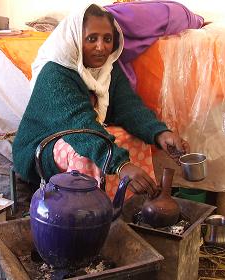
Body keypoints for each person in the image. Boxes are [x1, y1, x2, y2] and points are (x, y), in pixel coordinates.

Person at [12, 3, 189, 197]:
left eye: (107, 39)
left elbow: (129, 107)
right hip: (41, 147)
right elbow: (81, 126)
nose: (101, 47)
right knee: (86, 157)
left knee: (135, 138)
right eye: (91, 39)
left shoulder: (108, 70)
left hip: (81, 133)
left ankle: (125, 207)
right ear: (76, 39)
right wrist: (121, 165)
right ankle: (87, 214)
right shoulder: (55, 74)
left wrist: (160, 133)